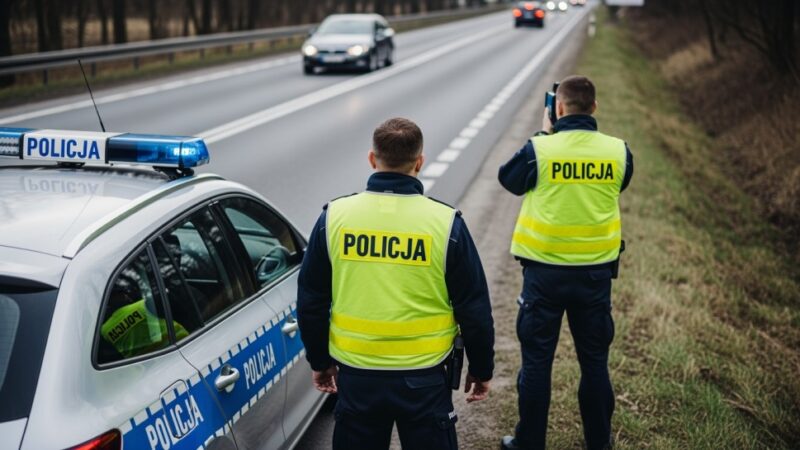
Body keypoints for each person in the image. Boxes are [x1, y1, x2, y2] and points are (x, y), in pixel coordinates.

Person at [297, 117, 494, 450]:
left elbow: (311, 300)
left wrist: (320, 361)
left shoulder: (334, 217)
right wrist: (481, 368)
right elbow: (474, 307)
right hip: (426, 378)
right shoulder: (446, 225)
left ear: (373, 160)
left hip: (357, 375)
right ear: (419, 162)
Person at [498, 76, 634, 450]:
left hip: (543, 277)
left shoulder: (540, 150)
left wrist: (544, 137)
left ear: (557, 109)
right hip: (594, 278)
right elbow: (618, 184)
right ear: (594, 108)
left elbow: (508, 179)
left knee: (537, 364)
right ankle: (598, 444)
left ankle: (529, 444)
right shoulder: (618, 151)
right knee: (594, 364)